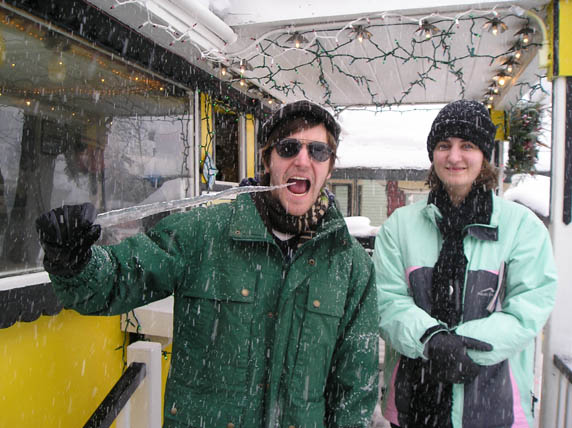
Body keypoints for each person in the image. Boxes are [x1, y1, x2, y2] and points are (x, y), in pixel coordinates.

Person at [35, 100, 379, 428]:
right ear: (268, 160)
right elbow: (115, 281)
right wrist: (74, 261)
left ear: (329, 167)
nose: (303, 160)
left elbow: (355, 392)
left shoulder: (350, 267)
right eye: (289, 148)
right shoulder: (203, 232)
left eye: (318, 151)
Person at [373, 99, 557, 428]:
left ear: (484, 154)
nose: (454, 156)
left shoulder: (521, 227)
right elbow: (386, 300)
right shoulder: (400, 227)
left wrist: (460, 346)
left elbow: (529, 307)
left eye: (467, 145)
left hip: (495, 407)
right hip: (414, 406)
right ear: (433, 155)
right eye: (444, 145)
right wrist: (431, 340)